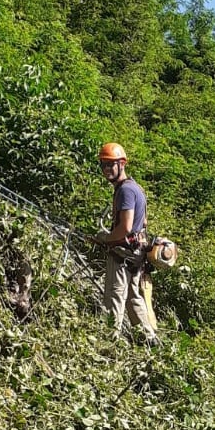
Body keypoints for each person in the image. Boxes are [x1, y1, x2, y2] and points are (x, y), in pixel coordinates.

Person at [92, 142, 157, 342]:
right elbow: (143, 222)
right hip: (136, 254)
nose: (106, 169)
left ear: (122, 164)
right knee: (133, 298)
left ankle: (107, 344)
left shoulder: (125, 191)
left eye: (111, 164)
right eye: (103, 165)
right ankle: (149, 340)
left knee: (114, 297)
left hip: (122, 254)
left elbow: (126, 227)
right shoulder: (136, 188)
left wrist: (105, 239)